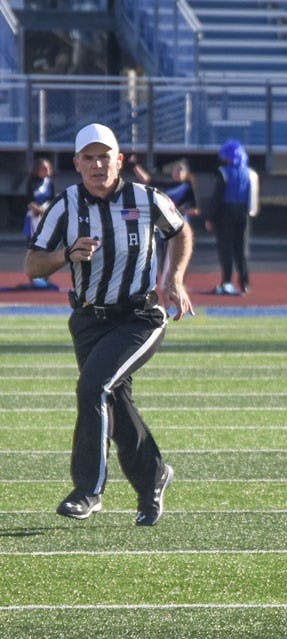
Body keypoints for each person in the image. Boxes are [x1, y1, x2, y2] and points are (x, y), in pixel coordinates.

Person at [23, 122, 194, 526]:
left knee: (93, 387)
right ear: (77, 164)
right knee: (114, 401)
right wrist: (66, 254)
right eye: (89, 157)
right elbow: (32, 265)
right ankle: (154, 478)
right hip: (88, 319)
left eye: (105, 156)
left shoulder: (146, 198)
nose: (98, 164)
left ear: (119, 160)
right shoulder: (65, 206)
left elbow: (180, 231)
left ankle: (88, 490)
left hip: (140, 315)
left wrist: (174, 279)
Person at [129, 158, 200, 289]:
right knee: (164, 252)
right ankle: (166, 281)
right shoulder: (167, 185)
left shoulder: (188, 187)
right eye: (176, 169)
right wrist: (134, 165)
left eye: (181, 170)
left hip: (181, 225)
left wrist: (182, 210)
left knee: (179, 253)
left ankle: (178, 282)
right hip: (164, 224)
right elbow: (147, 181)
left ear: (187, 173)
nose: (177, 172)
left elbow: (196, 209)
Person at [205, 139, 258, 296]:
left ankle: (227, 282)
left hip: (225, 213)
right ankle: (244, 283)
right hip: (243, 214)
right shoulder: (251, 173)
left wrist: (210, 218)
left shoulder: (223, 173)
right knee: (241, 249)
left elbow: (217, 197)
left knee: (225, 249)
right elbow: (253, 199)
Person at [22, 157, 57, 290]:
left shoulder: (50, 183)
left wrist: (46, 210)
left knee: (47, 248)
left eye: (47, 169)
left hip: (46, 218)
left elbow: (54, 200)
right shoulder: (31, 183)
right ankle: (33, 276)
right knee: (33, 248)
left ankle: (46, 277)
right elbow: (29, 200)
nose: (45, 171)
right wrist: (37, 208)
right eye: (43, 169)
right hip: (33, 219)